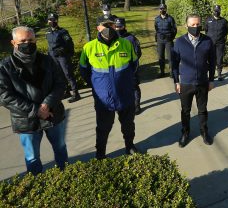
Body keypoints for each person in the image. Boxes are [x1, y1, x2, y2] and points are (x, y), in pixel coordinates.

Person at [0, 26, 68, 175]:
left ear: (35, 40)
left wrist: (47, 104)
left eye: (30, 40)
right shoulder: (4, 67)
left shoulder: (48, 60)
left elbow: (60, 83)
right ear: (13, 43)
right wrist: (36, 110)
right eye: (22, 40)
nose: (27, 43)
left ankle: (66, 175)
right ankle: (37, 184)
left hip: (53, 114)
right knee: (32, 158)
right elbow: (4, 96)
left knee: (61, 148)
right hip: (26, 120)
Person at [79, 20, 139, 159]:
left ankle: (129, 146)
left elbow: (134, 65)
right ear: (98, 28)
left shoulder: (126, 44)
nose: (108, 28)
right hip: (103, 98)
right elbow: (83, 70)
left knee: (128, 125)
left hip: (125, 94)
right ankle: (100, 153)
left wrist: (126, 82)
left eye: (110, 25)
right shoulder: (89, 47)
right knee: (103, 128)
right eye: (104, 26)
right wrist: (97, 85)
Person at [171, 14, 215, 148]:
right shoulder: (179, 42)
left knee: (202, 110)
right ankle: (185, 133)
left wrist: (211, 80)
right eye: (192, 25)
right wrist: (176, 81)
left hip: (202, 82)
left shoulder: (208, 41)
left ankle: (204, 131)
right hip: (185, 83)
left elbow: (212, 62)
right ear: (187, 26)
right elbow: (174, 63)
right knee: (185, 110)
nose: (195, 27)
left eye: (198, 24)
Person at [46, 13, 80, 103]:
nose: (52, 21)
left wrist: (67, 52)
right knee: (60, 75)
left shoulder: (63, 32)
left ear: (57, 20)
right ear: (48, 21)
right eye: (50, 20)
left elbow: (69, 44)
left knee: (68, 74)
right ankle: (66, 92)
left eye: (54, 20)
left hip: (62, 56)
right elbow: (50, 45)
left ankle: (76, 94)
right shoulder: (47, 32)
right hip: (53, 57)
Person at [115, 17, 143, 115]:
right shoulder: (113, 39)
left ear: (124, 26)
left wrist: (129, 62)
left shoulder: (131, 38)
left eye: (120, 26)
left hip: (131, 68)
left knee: (134, 87)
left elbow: (138, 53)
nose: (118, 29)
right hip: (117, 69)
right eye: (116, 27)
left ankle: (136, 106)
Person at [205, 5, 228, 81]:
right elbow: (206, 30)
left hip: (220, 43)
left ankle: (219, 74)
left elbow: (226, 31)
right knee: (210, 59)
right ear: (213, 11)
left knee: (219, 59)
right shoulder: (208, 20)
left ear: (220, 11)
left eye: (218, 11)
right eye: (215, 11)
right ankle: (211, 74)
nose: (216, 12)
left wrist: (223, 38)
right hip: (210, 43)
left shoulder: (224, 21)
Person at [155, 4, 177, 78]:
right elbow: (156, 29)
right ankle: (162, 72)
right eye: (160, 9)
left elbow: (174, 29)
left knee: (170, 57)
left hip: (168, 40)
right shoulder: (157, 19)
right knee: (161, 57)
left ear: (166, 9)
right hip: (160, 40)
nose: (162, 10)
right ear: (159, 10)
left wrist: (171, 37)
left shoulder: (170, 18)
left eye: (163, 9)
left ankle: (172, 72)